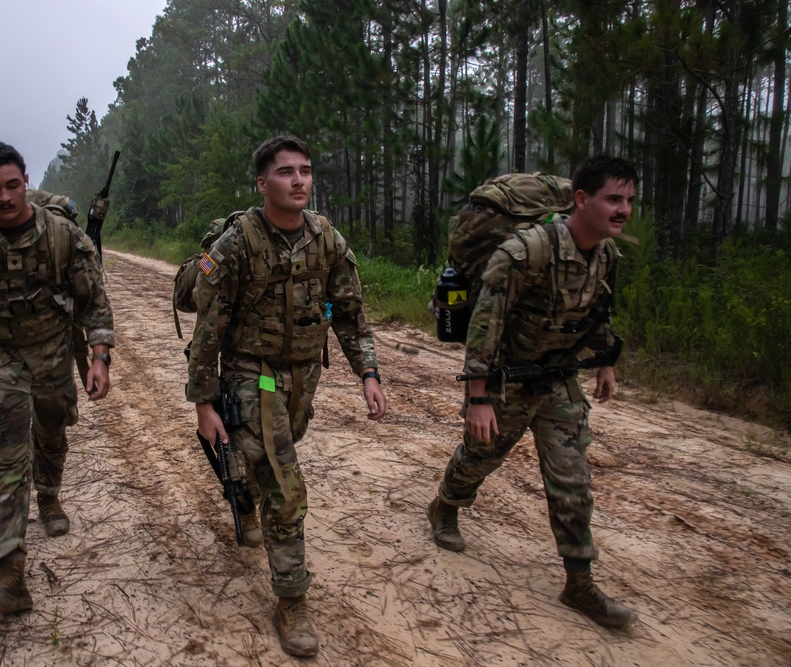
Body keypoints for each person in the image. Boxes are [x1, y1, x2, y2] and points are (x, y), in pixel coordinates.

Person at [187, 135, 387, 657]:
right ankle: (292, 599)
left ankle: (246, 492)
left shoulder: (326, 238)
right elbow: (209, 328)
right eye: (285, 172)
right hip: (253, 374)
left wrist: (368, 373)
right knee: (285, 480)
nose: (298, 180)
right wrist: (205, 403)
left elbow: (349, 312)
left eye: (305, 171)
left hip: (301, 377)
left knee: (276, 450)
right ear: (262, 183)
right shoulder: (237, 244)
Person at [426, 155, 639, 629]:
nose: (623, 209)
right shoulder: (524, 253)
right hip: (508, 377)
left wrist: (605, 360)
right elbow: (485, 327)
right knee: (481, 456)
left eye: (628, 200)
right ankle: (445, 504)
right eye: (613, 199)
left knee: (573, 480)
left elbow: (597, 310)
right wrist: (478, 400)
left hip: (559, 377)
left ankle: (579, 583)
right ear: (582, 200)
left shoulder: (606, 253)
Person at [0, 142, 115, 616]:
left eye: (12, 185)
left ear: (25, 180)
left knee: (52, 432)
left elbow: (94, 301)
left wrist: (98, 358)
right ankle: (11, 573)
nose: (5, 197)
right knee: (9, 458)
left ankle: (49, 497)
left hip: (52, 352)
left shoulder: (62, 236)